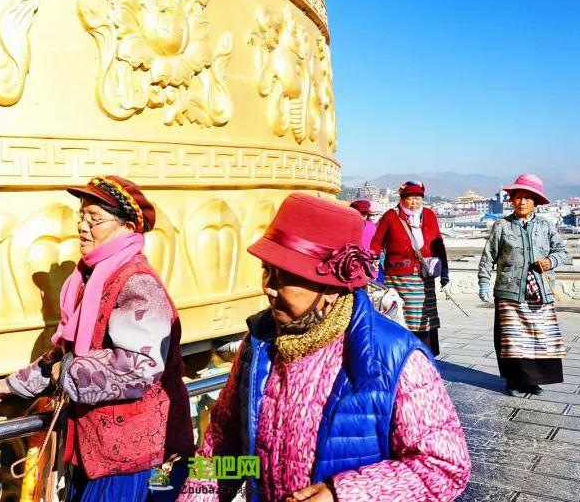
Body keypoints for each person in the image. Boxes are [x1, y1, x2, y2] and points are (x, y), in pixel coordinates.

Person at [178, 193, 470, 502]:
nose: (268, 287)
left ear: (331, 288)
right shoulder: (259, 344)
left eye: (285, 277)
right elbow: (221, 446)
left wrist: (342, 494)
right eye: (267, 270)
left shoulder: (393, 357)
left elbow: (444, 467)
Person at [0, 175, 194, 501]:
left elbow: (140, 367)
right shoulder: (89, 277)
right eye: (81, 216)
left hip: (130, 456)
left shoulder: (137, 282)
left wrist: (68, 372)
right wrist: (16, 384)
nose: (82, 226)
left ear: (126, 228)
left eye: (95, 219)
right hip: (95, 446)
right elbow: (68, 350)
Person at [478, 174, 569, 397]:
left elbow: (562, 251)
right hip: (509, 292)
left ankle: (532, 382)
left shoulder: (546, 226)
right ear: (512, 201)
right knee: (512, 339)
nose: (522, 202)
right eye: (518, 197)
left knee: (538, 337)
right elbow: (488, 256)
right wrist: (484, 282)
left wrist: (551, 261)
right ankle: (513, 380)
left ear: (535, 202)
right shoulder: (502, 225)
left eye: (527, 198)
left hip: (539, 291)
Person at [369, 181, 449, 356]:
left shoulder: (429, 215)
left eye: (418, 198)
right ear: (402, 199)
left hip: (425, 276)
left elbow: (438, 244)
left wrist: (444, 271)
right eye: (410, 198)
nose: (415, 202)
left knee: (424, 318)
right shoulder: (391, 216)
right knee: (400, 317)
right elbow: (376, 240)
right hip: (398, 277)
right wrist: (371, 259)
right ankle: (403, 354)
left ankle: (425, 355)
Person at [348, 199, 379, 280]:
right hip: (351, 265)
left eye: (364, 215)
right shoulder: (346, 227)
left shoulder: (371, 227)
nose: (362, 217)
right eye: (359, 214)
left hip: (368, 267)